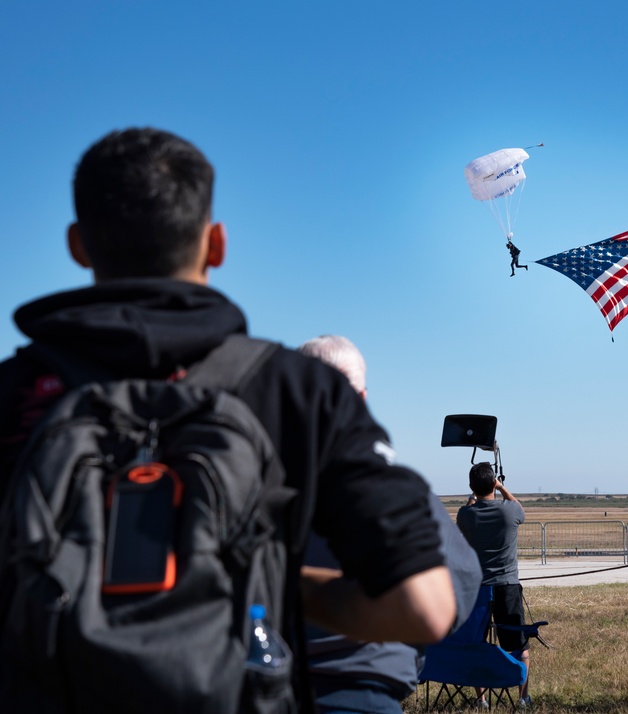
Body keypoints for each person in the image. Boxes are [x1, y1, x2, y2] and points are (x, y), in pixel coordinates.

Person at [0, 128, 456, 708]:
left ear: (77, 245)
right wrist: (264, 581)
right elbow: (423, 606)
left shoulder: (14, 395)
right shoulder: (296, 390)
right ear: (216, 244)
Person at [297, 335, 482, 714]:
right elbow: (458, 587)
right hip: (365, 693)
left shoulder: (247, 484)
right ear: (362, 400)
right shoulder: (397, 492)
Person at [456, 462, 531, 707]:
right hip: (506, 586)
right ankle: (522, 697)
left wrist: (472, 501)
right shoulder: (509, 511)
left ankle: (482, 699)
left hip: (477, 589)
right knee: (519, 645)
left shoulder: (466, 515)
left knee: (476, 643)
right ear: (494, 484)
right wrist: (502, 487)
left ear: (471, 487)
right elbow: (520, 509)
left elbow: (465, 518)